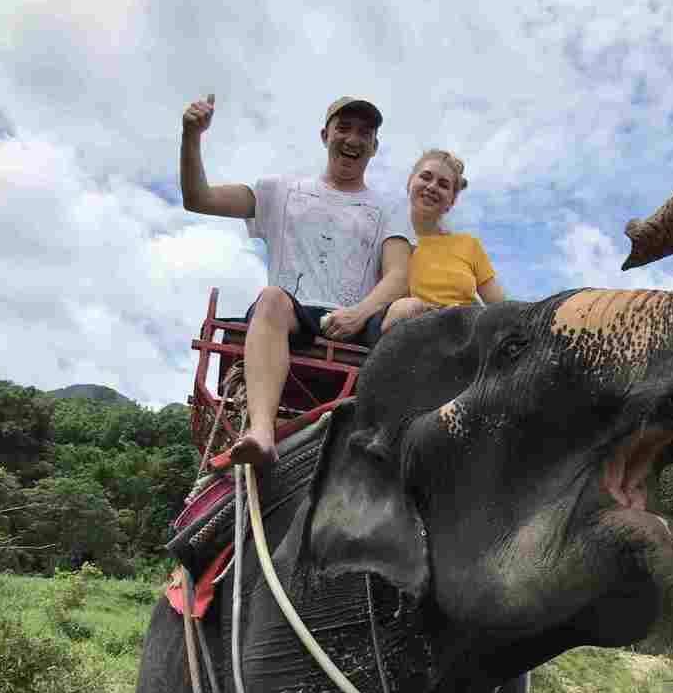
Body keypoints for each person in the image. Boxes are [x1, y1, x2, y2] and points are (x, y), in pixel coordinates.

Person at [179, 92, 411, 467]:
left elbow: (399, 274)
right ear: (325, 135)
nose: (353, 139)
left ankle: (399, 439)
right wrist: (191, 136)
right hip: (294, 312)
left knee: (410, 310)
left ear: (374, 147)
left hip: (358, 316)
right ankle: (262, 433)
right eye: (344, 128)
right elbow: (198, 198)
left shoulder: (388, 207)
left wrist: (358, 312)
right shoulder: (281, 190)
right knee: (271, 297)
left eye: (364, 133)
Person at [381, 149, 504, 333]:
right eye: (426, 177)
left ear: (452, 201)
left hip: (464, 333)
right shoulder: (389, 240)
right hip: (411, 336)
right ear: (409, 182)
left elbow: (500, 306)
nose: (432, 187)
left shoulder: (468, 245)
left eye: (443, 185)